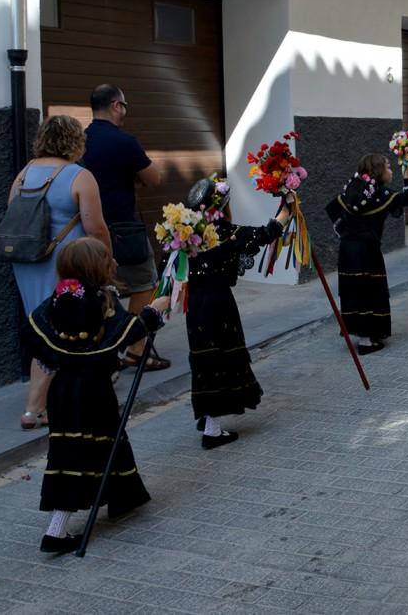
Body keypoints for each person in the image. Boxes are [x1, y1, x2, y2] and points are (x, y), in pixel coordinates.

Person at [23, 237, 167, 553]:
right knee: (78, 452)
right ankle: (56, 532)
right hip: (92, 390)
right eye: (107, 259)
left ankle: (125, 495)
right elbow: (123, 332)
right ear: (93, 266)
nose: (114, 263)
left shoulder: (58, 298)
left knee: (102, 439)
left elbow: (35, 331)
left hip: (62, 390)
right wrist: (152, 314)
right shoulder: (100, 300)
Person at [9, 115, 110, 431]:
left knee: (42, 324)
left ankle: (47, 403)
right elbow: (95, 228)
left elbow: (13, 216)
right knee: (59, 328)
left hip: (27, 261)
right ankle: (34, 408)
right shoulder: (79, 176)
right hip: (64, 263)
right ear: (75, 140)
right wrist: (108, 259)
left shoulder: (23, 174)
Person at [184, 176, 292, 448]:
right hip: (219, 304)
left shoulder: (184, 234)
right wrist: (289, 205)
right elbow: (269, 232)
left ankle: (206, 415)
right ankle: (212, 429)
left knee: (204, 358)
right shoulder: (226, 233)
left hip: (194, 305)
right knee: (219, 358)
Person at [82, 84, 167, 372]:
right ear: (116, 105)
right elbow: (154, 178)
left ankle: (102, 351)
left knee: (100, 289)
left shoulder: (81, 140)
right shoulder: (124, 141)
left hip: (86, 229)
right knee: (146, 283)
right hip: (123, 229)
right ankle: (136, 348)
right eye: (125, 105)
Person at [326, 154, 408, 354]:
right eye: (388, 167)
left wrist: (346, 232)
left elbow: (333, 208)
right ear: (378, 171)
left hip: (347, 250)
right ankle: (366, 342)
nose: (390, 171)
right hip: (367, 250)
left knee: (354, 291)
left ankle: (368, 334)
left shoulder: (353, 188)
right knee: (368, 291)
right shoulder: (380, 194)